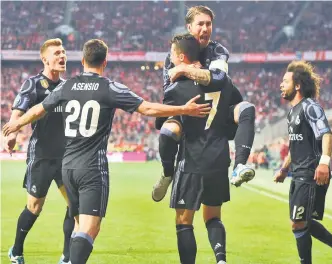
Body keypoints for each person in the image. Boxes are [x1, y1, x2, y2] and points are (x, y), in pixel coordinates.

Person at [3, 39, 210, 264]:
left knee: (77, 221)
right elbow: (147, 108)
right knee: (89, 228)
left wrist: (16, 125)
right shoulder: (109, 87)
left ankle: (66, 257)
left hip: (67, 165)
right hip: (90, 168)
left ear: (82, 60)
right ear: (105, 62)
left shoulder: (67, 86)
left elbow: (37, 109)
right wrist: (184, 109)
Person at [152, 5, 256, 202]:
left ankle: (239, 166)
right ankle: (167, 173)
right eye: (200, 24)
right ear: (189, 27)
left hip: (218, 108)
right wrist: (194, 72)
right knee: (167, 130)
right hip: (186, 107)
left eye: (209, 24)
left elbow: (218, 79)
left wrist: (184, 69)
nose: (205, 28)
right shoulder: (174, 52)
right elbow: (170, 92)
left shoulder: (217, 51)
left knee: (247, 109)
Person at [274, 61, 332, 264]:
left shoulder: (310, 107)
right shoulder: (292, 112)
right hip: (298, 174)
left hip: (311, 173)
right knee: (302, 221)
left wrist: (323, 163)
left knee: (298, 222)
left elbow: (327, 135)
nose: (281, 85)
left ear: (298, 85)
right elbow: (295, 145)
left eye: (285, 81)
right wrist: (284, 169)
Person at [164, 33, 236, 264]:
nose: (171, 59)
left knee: (184, 221)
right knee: (213, 216)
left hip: (192, 160)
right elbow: (237, 114)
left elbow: (165, 124)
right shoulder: (226, 84)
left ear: (181, 57)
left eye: (173, 55)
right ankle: (221, 260)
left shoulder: (177, 88)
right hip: (219, 157)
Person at [4, 38, 74, 264]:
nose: (62, 56)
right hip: (41, 156)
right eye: (57, 53)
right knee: (34, 207)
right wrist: (12, 134)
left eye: (63, 52)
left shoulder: (68, 86)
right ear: (45, 59)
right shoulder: (33, 84)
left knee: (75, 205)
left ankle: (67, 256)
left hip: (66, 156)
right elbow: (17, 111)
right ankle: (16, 250)